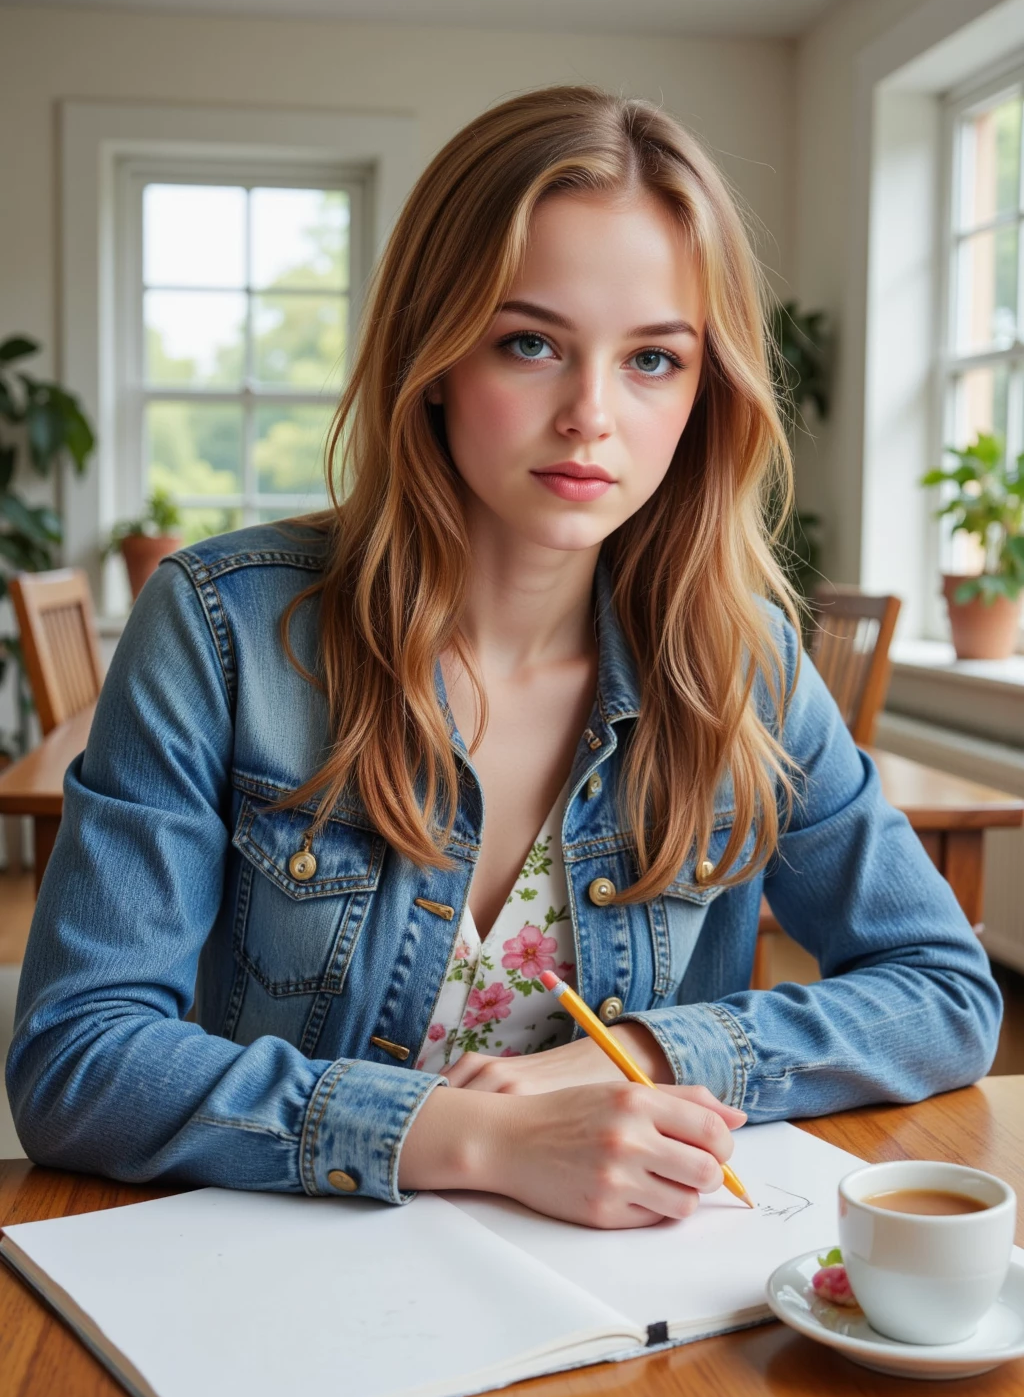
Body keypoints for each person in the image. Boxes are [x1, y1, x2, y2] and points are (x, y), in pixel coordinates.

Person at [6, 88, 1000, 1231]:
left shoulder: (745, 665)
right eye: (529, 343)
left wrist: (635, 1056)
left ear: (704, 392)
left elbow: (943, 991)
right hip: (287, 1284)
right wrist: (471, 1135)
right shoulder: (220, 629)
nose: (590, 414)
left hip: (622, 1315)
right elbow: (76, 1060)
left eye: (652, 361)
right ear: (432, 356)